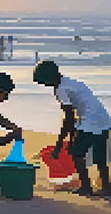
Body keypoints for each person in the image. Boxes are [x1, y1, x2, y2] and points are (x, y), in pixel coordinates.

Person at [33, 60, 110, 196]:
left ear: (50, 79)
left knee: (77, 153)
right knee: (100, 156)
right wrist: (72, 136)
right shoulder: (72, 82)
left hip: (90, 122)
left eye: (44, 82)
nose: (44, 85)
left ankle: (86, 187)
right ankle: (106, 188)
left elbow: (69, 117)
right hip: (104, 120)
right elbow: (75, 114)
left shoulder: (61, 89)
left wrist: (59, 144)